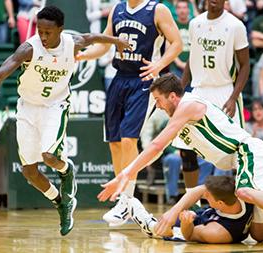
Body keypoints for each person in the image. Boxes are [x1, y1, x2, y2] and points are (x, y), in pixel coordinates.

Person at [98, 73, 263, 247]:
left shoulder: (188, 106)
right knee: (258, 233)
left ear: (172, 96)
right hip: (239, 160)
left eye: (158, 100)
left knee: (244, 193)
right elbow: (158, 151)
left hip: (245, 151)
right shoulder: (181, 117)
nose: (157, 105)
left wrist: (124, 174)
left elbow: (157, 144)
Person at [0, 6, 131, 236]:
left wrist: (116, 41)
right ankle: (61, 202)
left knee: (49, 156)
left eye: (48, 32)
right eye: (40, 31)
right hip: (27, 107)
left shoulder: (71, 42)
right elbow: (2, 72)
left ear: (60, 30)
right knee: (29, 172)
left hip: (55, 106)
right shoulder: (29, 48)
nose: (43, 37)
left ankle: (67, 170)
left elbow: (92, 37)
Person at [76, 0, 183, 227]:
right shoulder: (117, 9)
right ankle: (124, 201)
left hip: (143, 81)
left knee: (128, 139)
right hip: (119, 78)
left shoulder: (158, 9)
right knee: (114, 141)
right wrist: (82, 56)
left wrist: (159, 65)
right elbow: (105, 44)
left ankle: (125, 200)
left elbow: (177, 44)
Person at [175, 0, 250, 203]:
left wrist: (234, 97)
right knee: (186, 149)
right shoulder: (195, 23)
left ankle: (240, 203)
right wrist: (181, 89)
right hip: (198, 91)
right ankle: (193, 204)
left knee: (237, 152)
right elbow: (193, 58)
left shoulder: (235, 26)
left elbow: (244, 65)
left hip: (225, 92)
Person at [129, 175, 254, 243]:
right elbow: (199, 190)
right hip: (209, 213)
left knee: (166, 229)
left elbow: (189, 235)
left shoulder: (216, 233)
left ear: (220, 202)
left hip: (195, 227)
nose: (204, 195)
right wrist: (174, 211)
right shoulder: (240, 194)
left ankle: (149, 225)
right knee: (183, 209)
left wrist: (186, 223)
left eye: (207, 196)